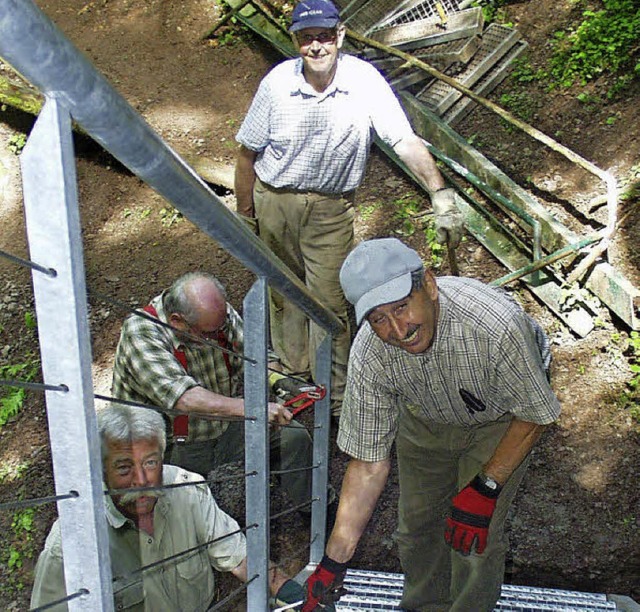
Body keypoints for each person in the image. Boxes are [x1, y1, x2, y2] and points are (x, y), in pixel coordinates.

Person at [303, 238, 561, 612]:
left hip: (502, 420)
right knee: (417, 531)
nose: (397, 329)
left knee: (473, 535)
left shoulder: (493, 326)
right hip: (425, 420)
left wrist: (486, 487)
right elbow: (369, 463)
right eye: (378, 318)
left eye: (402, 306)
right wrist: (333, 562)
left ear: (429, 284)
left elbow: (535, 413)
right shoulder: (371, 355)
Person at [234, 0, 463, 419]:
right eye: (306, 38)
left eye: (324, 36)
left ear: (339, 36)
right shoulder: (276, 85)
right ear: (295, 41)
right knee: (283, 290)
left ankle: (337, 397)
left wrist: (439, 192)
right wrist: (245, 214)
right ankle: (294, 373)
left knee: (330, 303)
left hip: (329, 209)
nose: (316, 46)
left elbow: (402, 140)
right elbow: (248, 153)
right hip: (274, 200)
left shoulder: (364, 81)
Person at [30, 405, 305, 611]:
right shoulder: (69, 546)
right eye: (124, 468)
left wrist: (296, 596)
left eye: (150, 463)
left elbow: (240, 556)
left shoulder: (187, 489)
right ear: (101, 470)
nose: (141, 480)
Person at [111, 271, 317, 514]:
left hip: (222, 426)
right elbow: (184, 398)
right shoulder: (141, 332)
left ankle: (318, 510)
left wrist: (279, 380)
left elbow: (255, 357)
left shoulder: (216, 316)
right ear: (177, 321)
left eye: (218, 329)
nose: (216, 336)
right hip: (167, 448)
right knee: (169, 516)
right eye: (208, 334)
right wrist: (254, 410)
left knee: (292, 438)